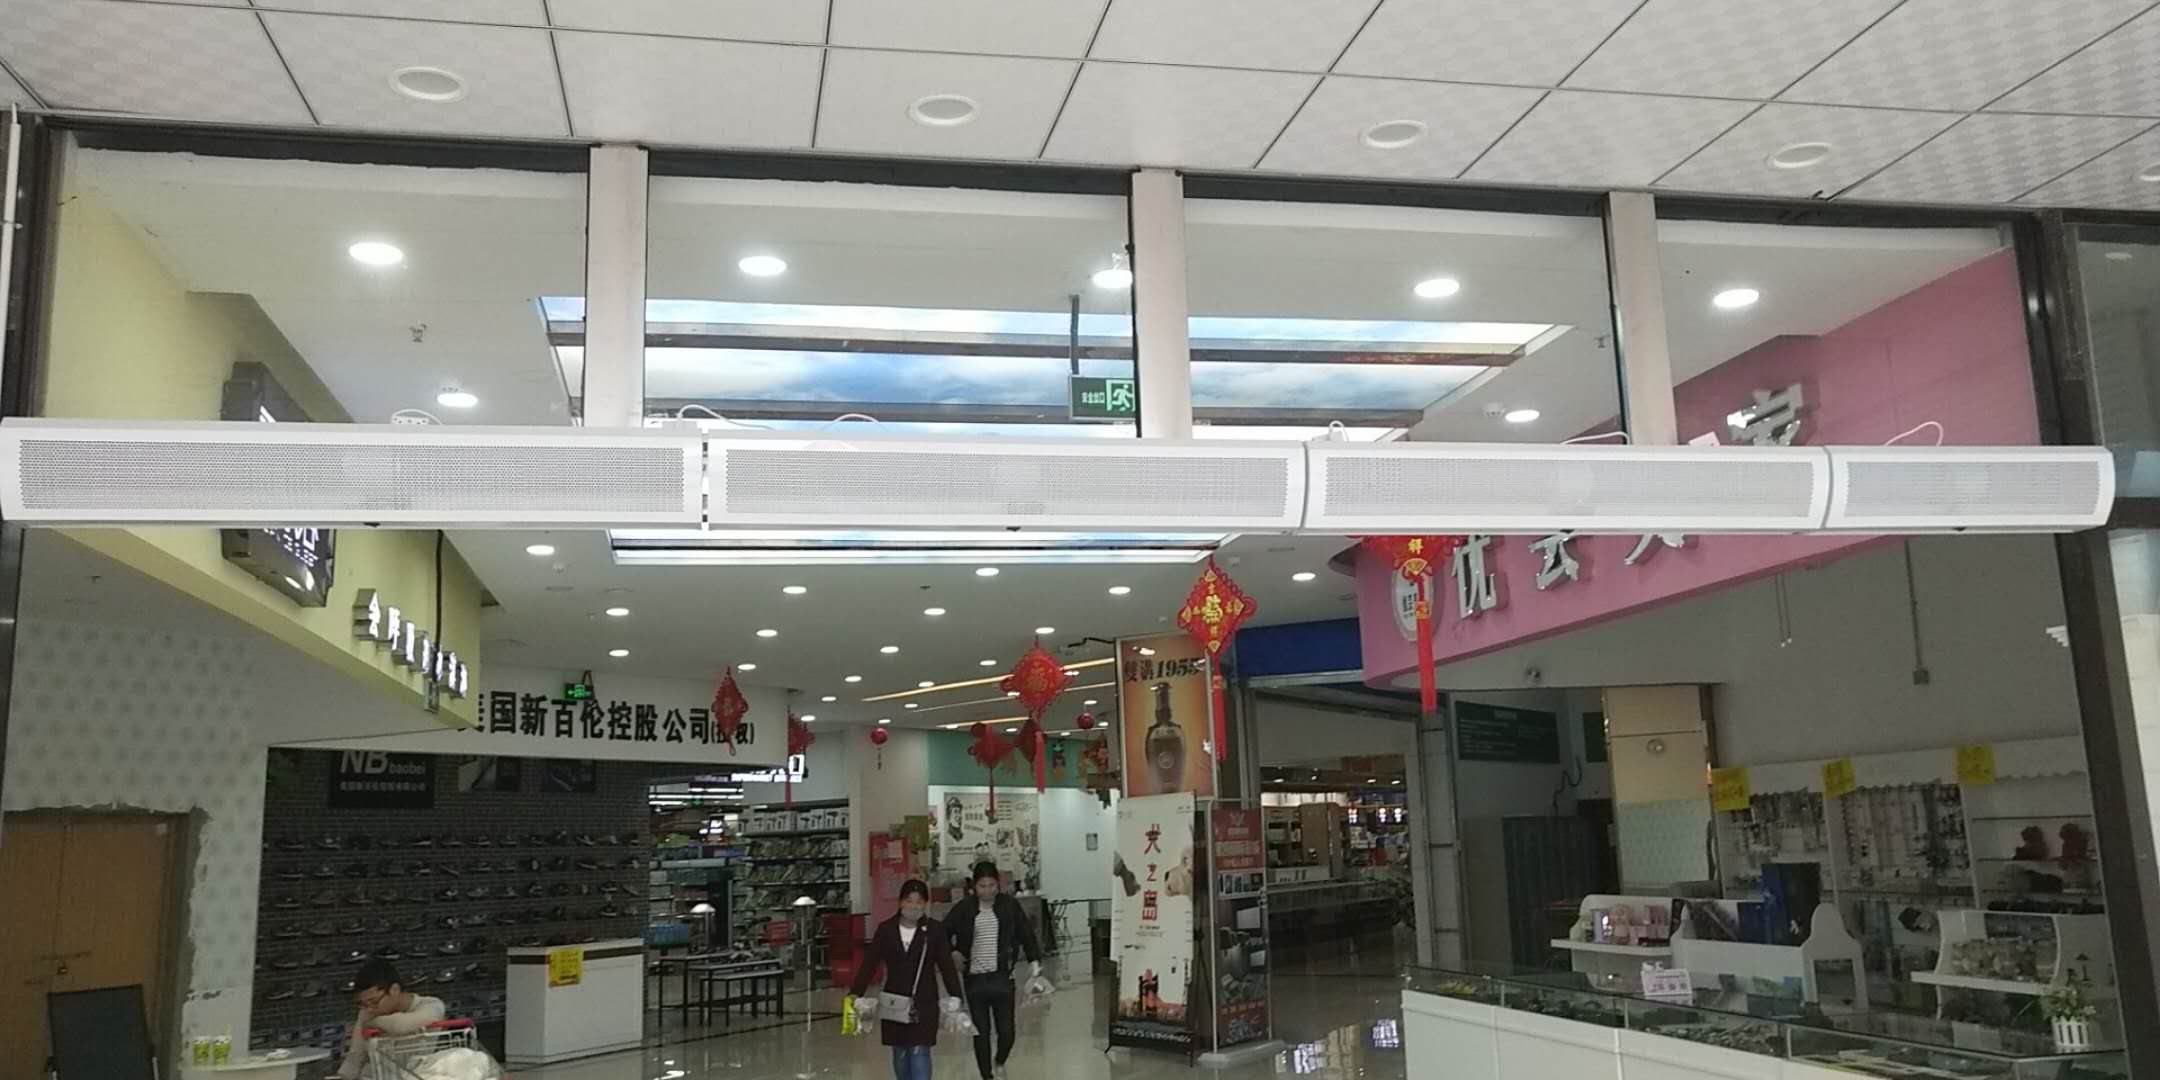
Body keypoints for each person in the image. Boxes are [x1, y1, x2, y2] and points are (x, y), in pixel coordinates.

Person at [851, 879, 963, 1080]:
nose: (913, 906)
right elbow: (870, 963)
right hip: (895, 1001)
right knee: (901, 1054)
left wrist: (956, 995)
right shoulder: (886, 930)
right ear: (900, 902)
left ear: (925, 904)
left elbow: (946, 965)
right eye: (909, 901)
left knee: (920, 1052)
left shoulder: (934, 930)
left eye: (919, 902)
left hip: (925, 1000)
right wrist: (856, 992)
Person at [942, 862, 1042, 1080]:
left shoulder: (1009, 905)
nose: (987, 891)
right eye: (982, 886)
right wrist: (953, 952)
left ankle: (1000, 1060)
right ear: (974, 887)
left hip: (1002, 977)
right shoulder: (964, 908)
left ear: (998, 884)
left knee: (1007, 1032)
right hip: (975, 980)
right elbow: (942, 932)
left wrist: (1034, 960)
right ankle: (986, 1075)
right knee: (981, 1032)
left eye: (991, 885)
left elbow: (1026, 933)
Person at [335, 957, 446, 1080]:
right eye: (363, 1004)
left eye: (374, 1001)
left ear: (394, 990)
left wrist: (372, 1023)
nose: (370, 1009)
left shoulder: (432, 1006)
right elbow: (355, 1057)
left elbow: (400, 1025)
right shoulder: (367, 1012)